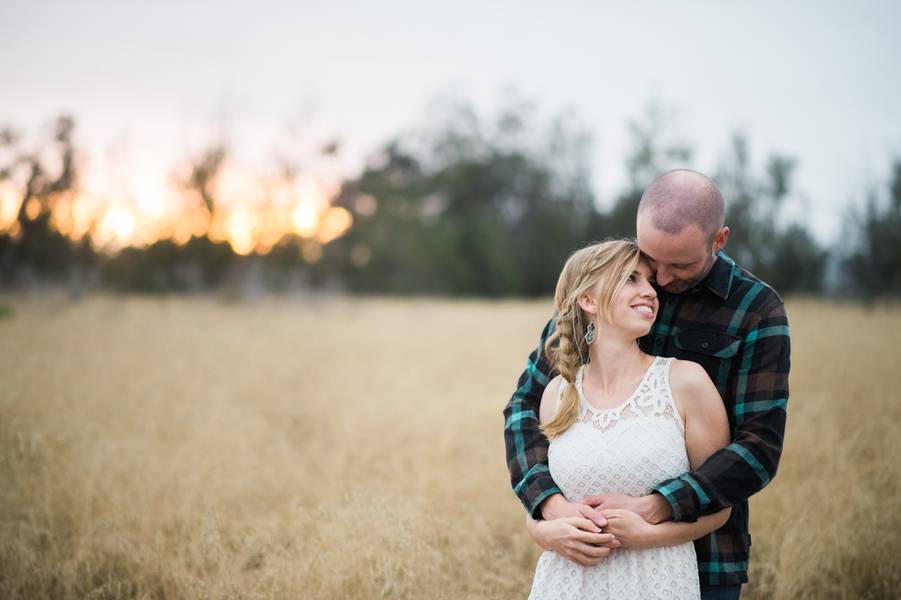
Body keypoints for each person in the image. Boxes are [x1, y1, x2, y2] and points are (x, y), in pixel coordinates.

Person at [504, 169, 791, 600]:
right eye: (648, 258)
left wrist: (657, 506)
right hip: (584, 562)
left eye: (680, 264)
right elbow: (525, 406)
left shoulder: (755, 310)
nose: (660, 279)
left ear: (719, 240)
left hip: (704, 556)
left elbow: (758, 446)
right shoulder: (603, 294)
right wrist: (548, 508)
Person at [527, 239, 731, 599]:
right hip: (566, 583)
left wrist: (647, 535)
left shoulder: (685, 382)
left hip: (657, 581)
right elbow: (545, 505)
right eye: (631, 279)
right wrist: (541, 531)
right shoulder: (557, 393)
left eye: (650, 281)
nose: (650, 292)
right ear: (588, 301)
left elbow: (721, 505)